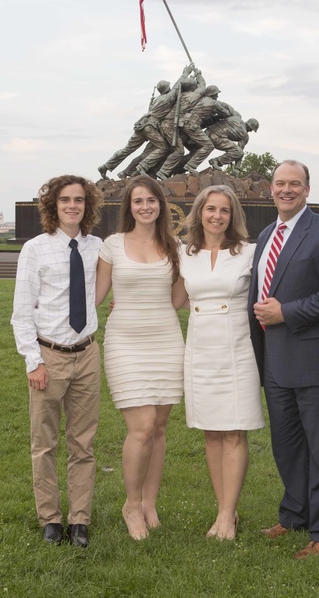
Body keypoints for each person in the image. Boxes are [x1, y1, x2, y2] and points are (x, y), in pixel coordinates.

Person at [249, 160, 319, 559]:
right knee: (288, 448)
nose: (286, 190)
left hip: (317, 362)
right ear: (270, 190)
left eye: (295, 184)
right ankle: (294, 515)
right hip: (276, 363)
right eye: (280, 183)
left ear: (307, 190)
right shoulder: (265, 235)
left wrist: (287, 313)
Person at [10, 174, 104, 548]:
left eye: (79, 200)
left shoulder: (98, 247)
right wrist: (34, 361)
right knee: (44, 443)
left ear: (88, 205)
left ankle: (79, 520)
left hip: (87, 355)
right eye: (65, 200)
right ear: (53, 206)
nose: (72, 206)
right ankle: (50, 518)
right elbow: (21, 313)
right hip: (49, 355)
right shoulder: (35, 249)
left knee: (84, 445)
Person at [172, 185, 264, 541]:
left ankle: (226, 517)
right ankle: (225, 510)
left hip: (237, 347)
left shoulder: (249, 253)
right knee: (211, 431)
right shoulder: (185, 254)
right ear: (200, 212)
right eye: (211, 208)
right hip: (200, 349)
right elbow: (175, 299)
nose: (216, 216)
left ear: (233, 216)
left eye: (224, 210)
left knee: (234, 430)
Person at [95, 176, 184, 540]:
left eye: (151, 200)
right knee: (143, 426)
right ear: (128, 207)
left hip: (165, 339)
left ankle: (150, 503)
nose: (145, 206)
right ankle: (131, 504)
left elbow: (179, 298)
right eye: (137, 201)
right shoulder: (112, 245)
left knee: (159, 429)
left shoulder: (175, 245)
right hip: (125, 342)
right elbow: (96, 295)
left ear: (160, 205)